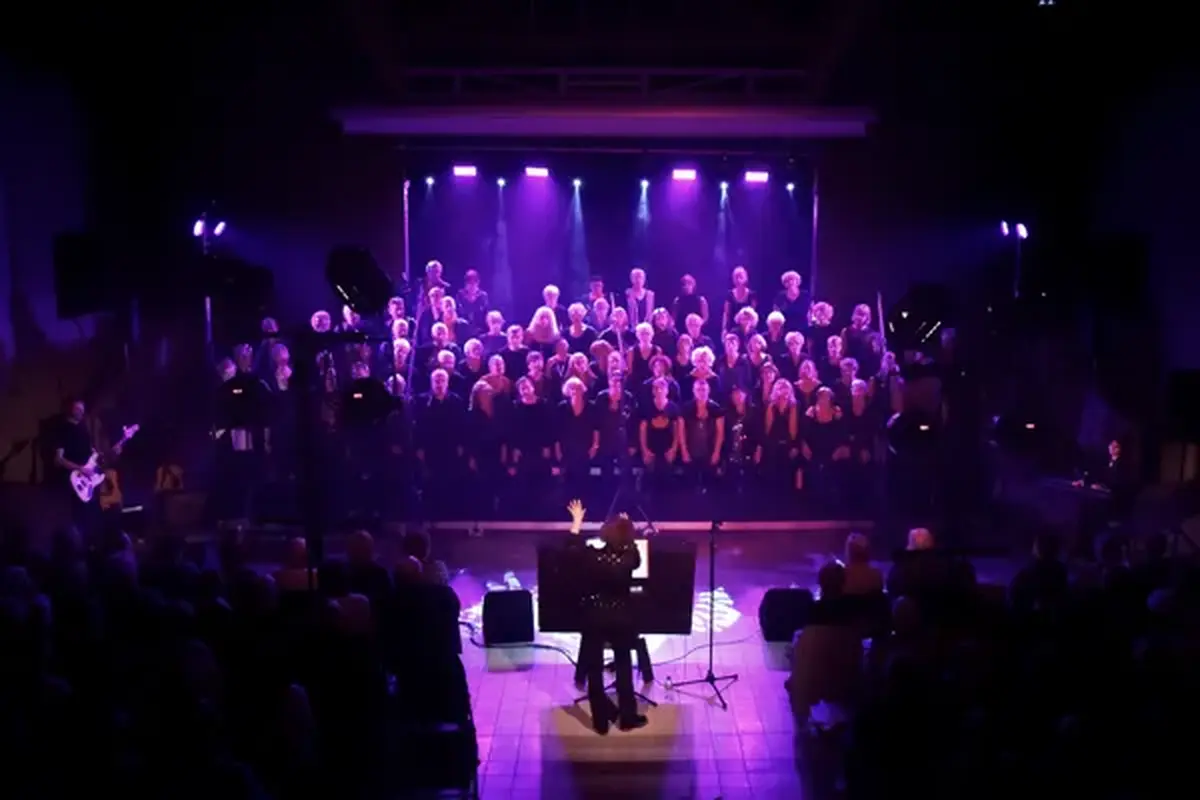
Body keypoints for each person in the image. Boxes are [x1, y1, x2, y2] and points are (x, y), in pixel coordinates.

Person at [566, 499, 648, 734]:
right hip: (622, 616)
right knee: (623, 664)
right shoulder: (630, 557)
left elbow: (572, 549)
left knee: (594, 668)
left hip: (595, 615)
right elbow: (634, 551)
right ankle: (627, 718)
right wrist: (627, 525)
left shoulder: (593, 557)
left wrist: (577, 522)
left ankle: (601, 722)